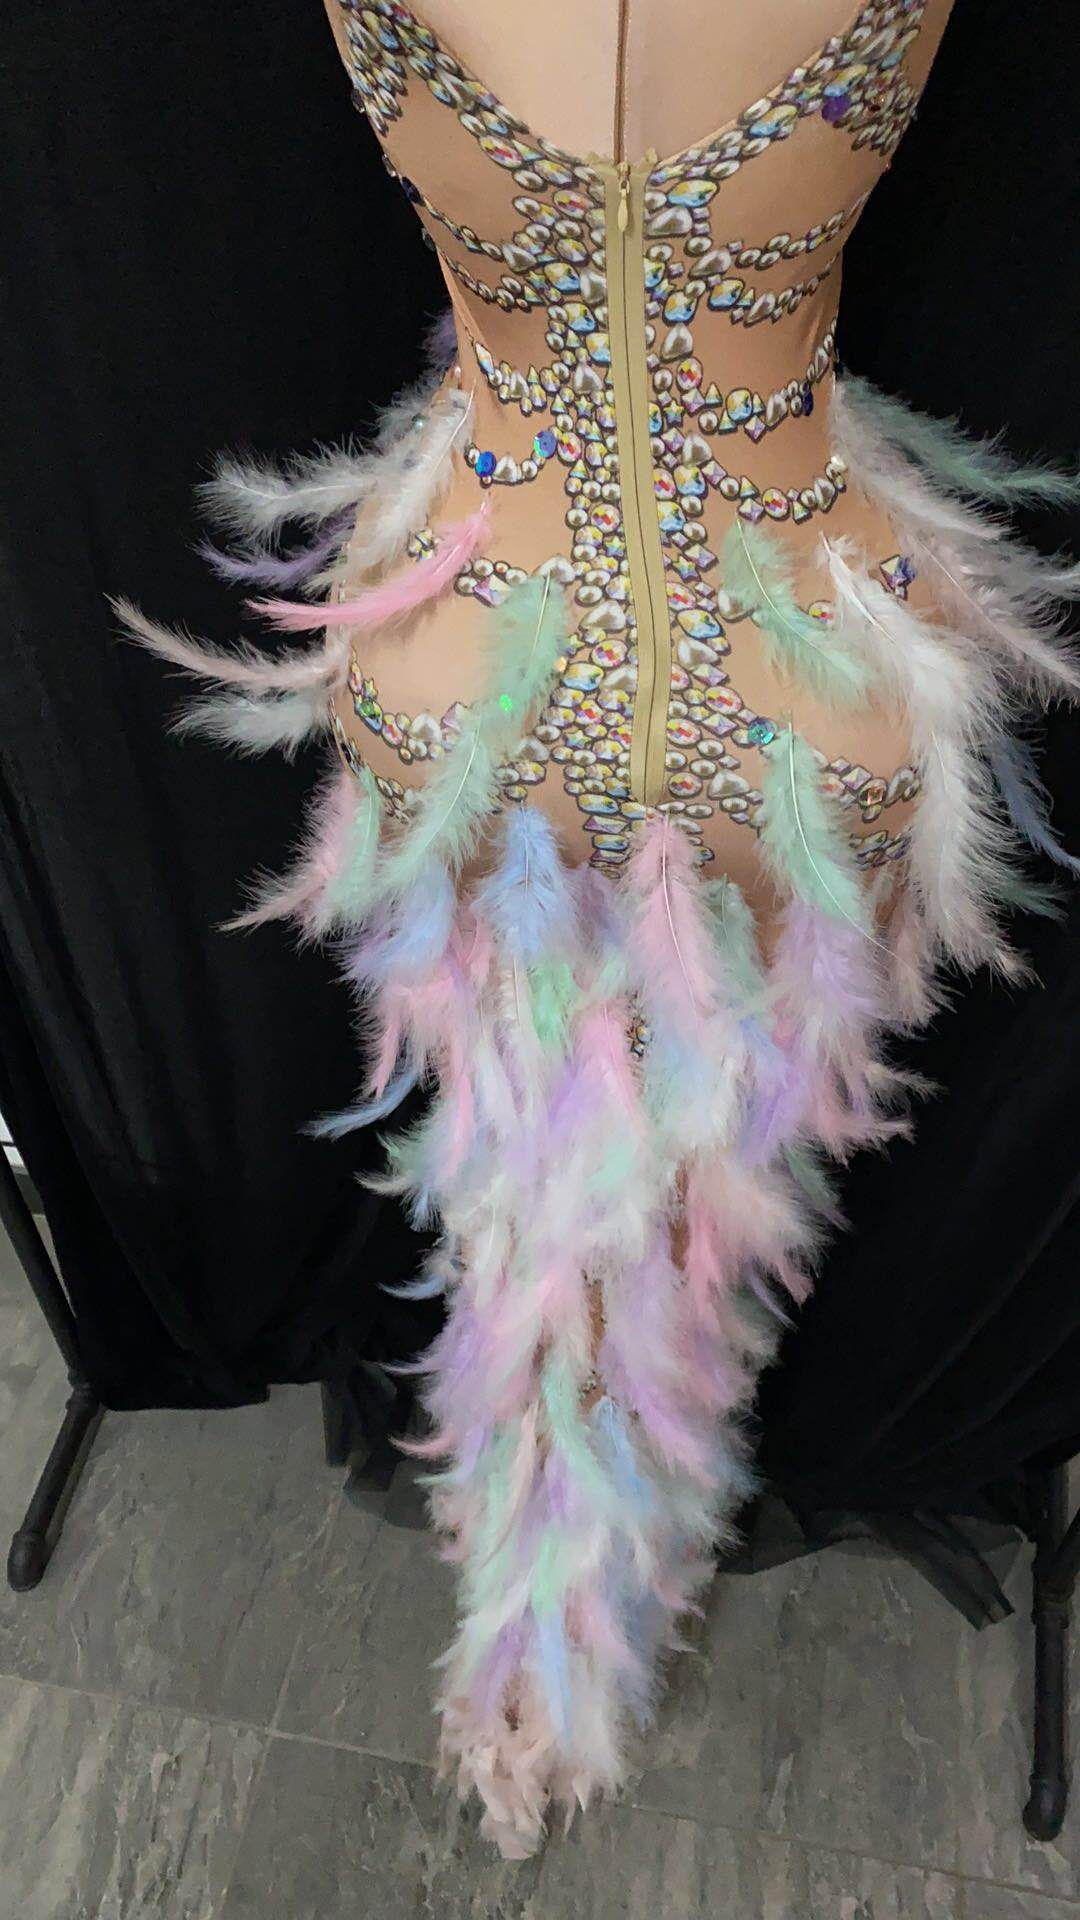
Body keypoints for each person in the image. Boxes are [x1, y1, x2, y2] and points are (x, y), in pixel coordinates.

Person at [110, 0, 1080, 1858]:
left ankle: (564, 1626)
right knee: (646, 1203)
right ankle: (576, 1610)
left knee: (553, 1200)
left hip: (477, 642)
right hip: (797, 667)